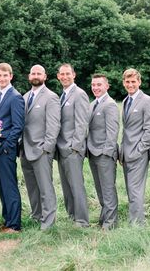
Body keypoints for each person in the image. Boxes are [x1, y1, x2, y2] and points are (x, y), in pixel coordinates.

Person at [21, 64, 61, 230]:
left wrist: (47, 148)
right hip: (25, 149)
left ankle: (48, 222)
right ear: (29, 76)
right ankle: (37, 216)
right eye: (33, 73)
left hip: (42, 150)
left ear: (45, 77)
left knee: (45, 188)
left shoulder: (51, 97)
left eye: (39, 73)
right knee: (31, 187)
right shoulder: (24, 96)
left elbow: (54, 124)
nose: (35, 75)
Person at [120, 68, 150, 225]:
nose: (130, 84)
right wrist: (122, 153)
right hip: (125, 153)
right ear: (123, 83)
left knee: (135, 191)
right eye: (127, 82)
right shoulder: (125, 101)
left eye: (133, 81)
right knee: (131, 190)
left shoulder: (147, 101)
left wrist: (139, 150)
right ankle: (135, 220)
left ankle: (136, 226)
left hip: (138, 153)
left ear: (139, 82)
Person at [0, 63, 25, 233]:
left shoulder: (15, 96)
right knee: (2, 186)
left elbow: (18, 126)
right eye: (0, 75)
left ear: (11, 77)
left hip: (6, 149)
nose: (2, 78)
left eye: (6, 76)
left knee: (10, 186)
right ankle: (7, 220)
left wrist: (6, 147)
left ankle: (14, 224)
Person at [56, 63, 90, 228]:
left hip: (72, 149)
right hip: (61, 148)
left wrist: (74, 146)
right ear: (58, 76)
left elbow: (82, 123)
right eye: (62, 74)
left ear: (74, 75)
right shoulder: (62, 95)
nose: (65, 77)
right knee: (66, 186)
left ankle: (82, 220)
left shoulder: (79, 94)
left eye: (67, 74)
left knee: (76, 185)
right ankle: (72, 216)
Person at [88, 74, 119, 230]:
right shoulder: (93, 103)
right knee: (100, 190)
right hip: (93, 153)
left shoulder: (110, 104)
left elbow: (112, 132)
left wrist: (107, 153)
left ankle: (110, 224)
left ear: (107, 86)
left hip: (105, 154)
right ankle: (103, 219)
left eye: (99, 84)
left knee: (108, 190)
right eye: (93, 85)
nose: (95, 87)